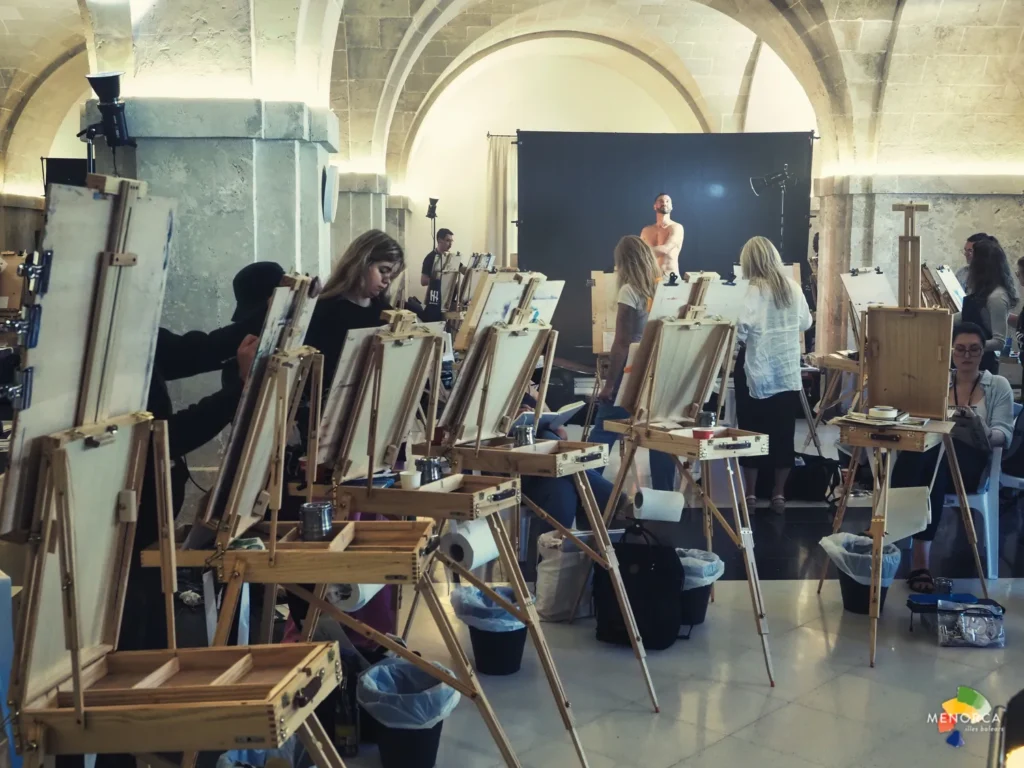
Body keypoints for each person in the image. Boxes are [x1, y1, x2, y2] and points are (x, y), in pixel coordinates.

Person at [891, 323, 1013, 592]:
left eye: (974, 349)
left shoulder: (998, 384)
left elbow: (1004, 434)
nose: (966, 355)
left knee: (929, 458)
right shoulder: (938, 381)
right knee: (928, 455)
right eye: (960, 349)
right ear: (951, 352)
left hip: (973, 462)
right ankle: (914, 553)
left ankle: (893, 531)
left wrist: (981, 427)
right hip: (936, 457)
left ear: (983, 353)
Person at [590, 235, 677, 491]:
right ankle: (664, 496)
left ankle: (587, 490)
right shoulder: (665, 287)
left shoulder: (630, 291)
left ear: (624, 263)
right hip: (660, 368)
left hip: (632, 370)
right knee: (659, 435)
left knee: (604, 430)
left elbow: (622, 342)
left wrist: (609, 386)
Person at [734, 236, 812, 515]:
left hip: (755, 368)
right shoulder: (791, 287)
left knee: (751, 431)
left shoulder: (751, 291)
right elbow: (806, 322)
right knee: (783, 432)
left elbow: (740, 329)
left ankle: (751, 494)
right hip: (786, 367)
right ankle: (779, 494)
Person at [306, 229, 405, 389]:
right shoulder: (324, 310)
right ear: (361, 263)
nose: (387, 280)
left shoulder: (387, 313)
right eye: (383, 270)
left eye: (392, 275)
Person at [957, 237, 1017, 375]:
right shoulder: (983, 291)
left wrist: (966, 347)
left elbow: (999, 341)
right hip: (971, 363)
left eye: (974, 260)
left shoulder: (997, 296)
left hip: (984, 367)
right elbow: (964, 316)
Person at [640, 193, 684, 277]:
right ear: (654, 206)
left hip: (670, 278)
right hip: (651, 278)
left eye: (667, 201)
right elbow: (641, 258)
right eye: (661, 201)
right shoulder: (646, 231)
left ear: (671, 207)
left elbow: (665, 249)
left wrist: (639, 253)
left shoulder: (676, 228)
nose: (664, 203)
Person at [419, 228, 454, 322]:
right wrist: (437, 280)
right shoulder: (430, 258)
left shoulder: (450, 257)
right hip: (434, 300)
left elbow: (463, 269)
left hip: (447, 299)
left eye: (451, 241)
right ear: (439, 240)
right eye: (447, 240)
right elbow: (423, 281)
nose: (450, 244)